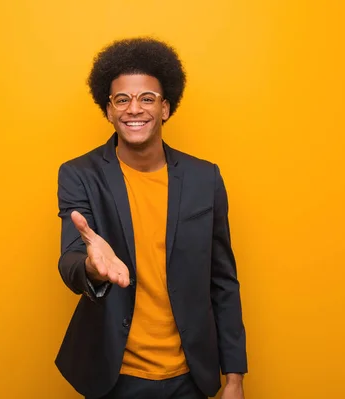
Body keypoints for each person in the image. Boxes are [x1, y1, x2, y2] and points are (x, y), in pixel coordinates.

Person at [55, 37, 247, 399]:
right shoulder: (79, 174)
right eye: (122, 99)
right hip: (113, 373)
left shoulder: (205, 178)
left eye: (147, 98)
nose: (134, 109)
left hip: (191, 374)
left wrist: (234, 376)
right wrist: (94, 268)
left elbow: (223, 280)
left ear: (165, 109)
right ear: (108, 111)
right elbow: (70, 261)